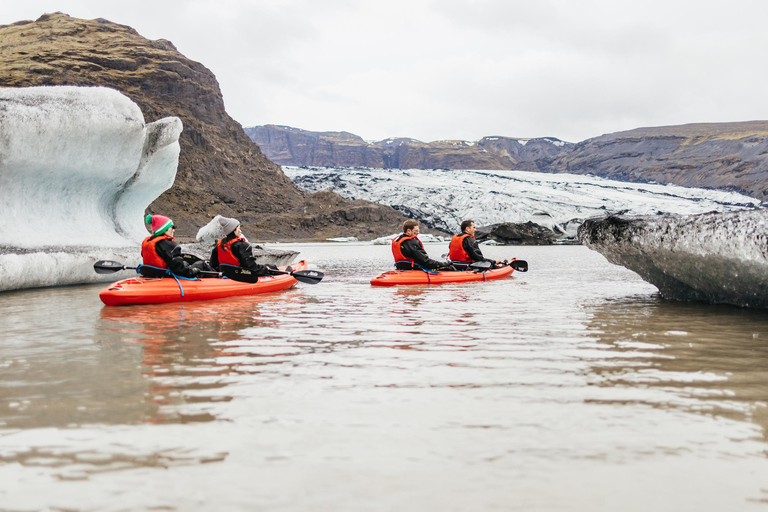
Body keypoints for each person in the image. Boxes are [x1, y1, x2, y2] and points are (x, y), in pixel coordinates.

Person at [141, 214, 207, 278]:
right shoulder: (169, 245)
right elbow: (179, 269)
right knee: (202, 264)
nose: (173, 230)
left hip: (154, 273)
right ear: (165, 229)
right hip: (166, 275)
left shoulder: (148, 242)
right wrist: (192, 271)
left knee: (186, 262)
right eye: (172, 227)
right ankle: (216, 278)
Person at [209, 216, 276, 276]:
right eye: (239, 229)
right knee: (272, 267)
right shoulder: (242, 246)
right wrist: (264, 269)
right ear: (234, 231)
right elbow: (251, 267)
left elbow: (213, 265)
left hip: (224, 273)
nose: (240, 231)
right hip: (240, 276)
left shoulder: (219, 245)